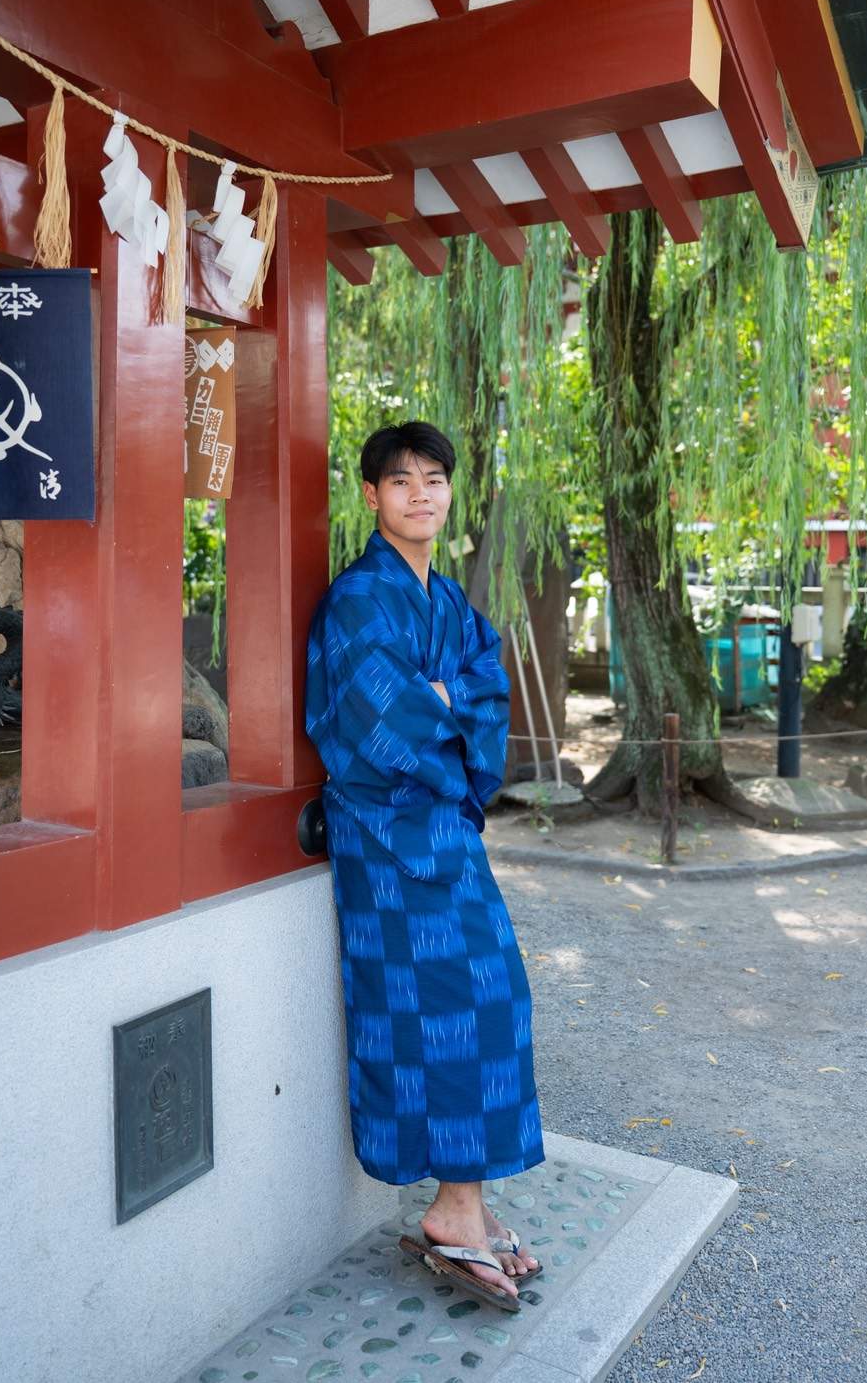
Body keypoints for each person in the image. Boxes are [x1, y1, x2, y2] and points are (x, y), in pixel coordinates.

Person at [304, 419, 546, 1309]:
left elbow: (485, 683)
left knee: (491, 1002)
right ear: (370, 496)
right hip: (388, 842)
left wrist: (442, 697)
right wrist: (440, 700)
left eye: (434, 479)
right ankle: (453, 1208)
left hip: (441, 831)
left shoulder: (445, 600)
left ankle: (465, 1205)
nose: (419, 494)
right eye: (399, 480)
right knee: (435, 1011)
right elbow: (377, 720)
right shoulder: (359, 598)